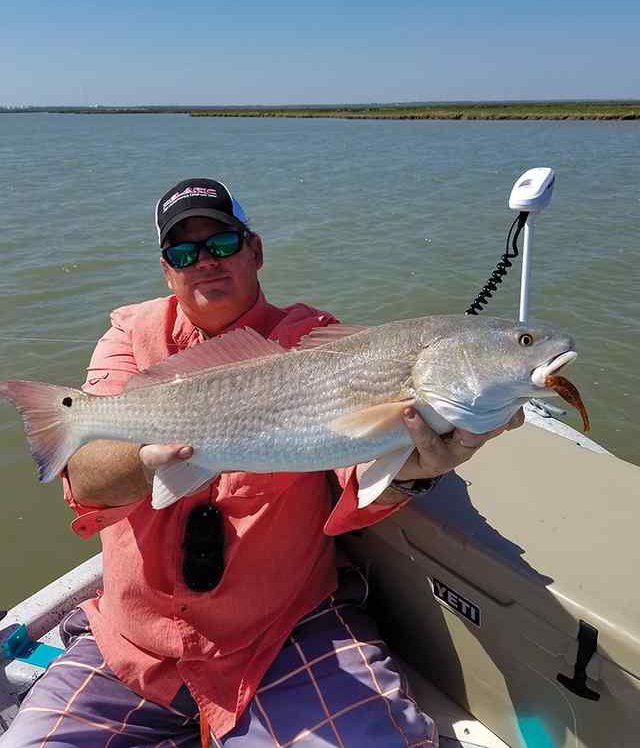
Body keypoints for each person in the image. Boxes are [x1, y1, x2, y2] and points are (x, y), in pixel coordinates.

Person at [1, 178, 523, 747]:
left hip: (282, 635)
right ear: (167, 270)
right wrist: (145, 458)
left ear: (256, 251)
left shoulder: (316, 342)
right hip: (133, 645)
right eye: (183, 252)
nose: (204, 262)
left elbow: (356, 470)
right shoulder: (130, 337)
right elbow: (86, 481)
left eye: (221, 244)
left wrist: (418, 469)